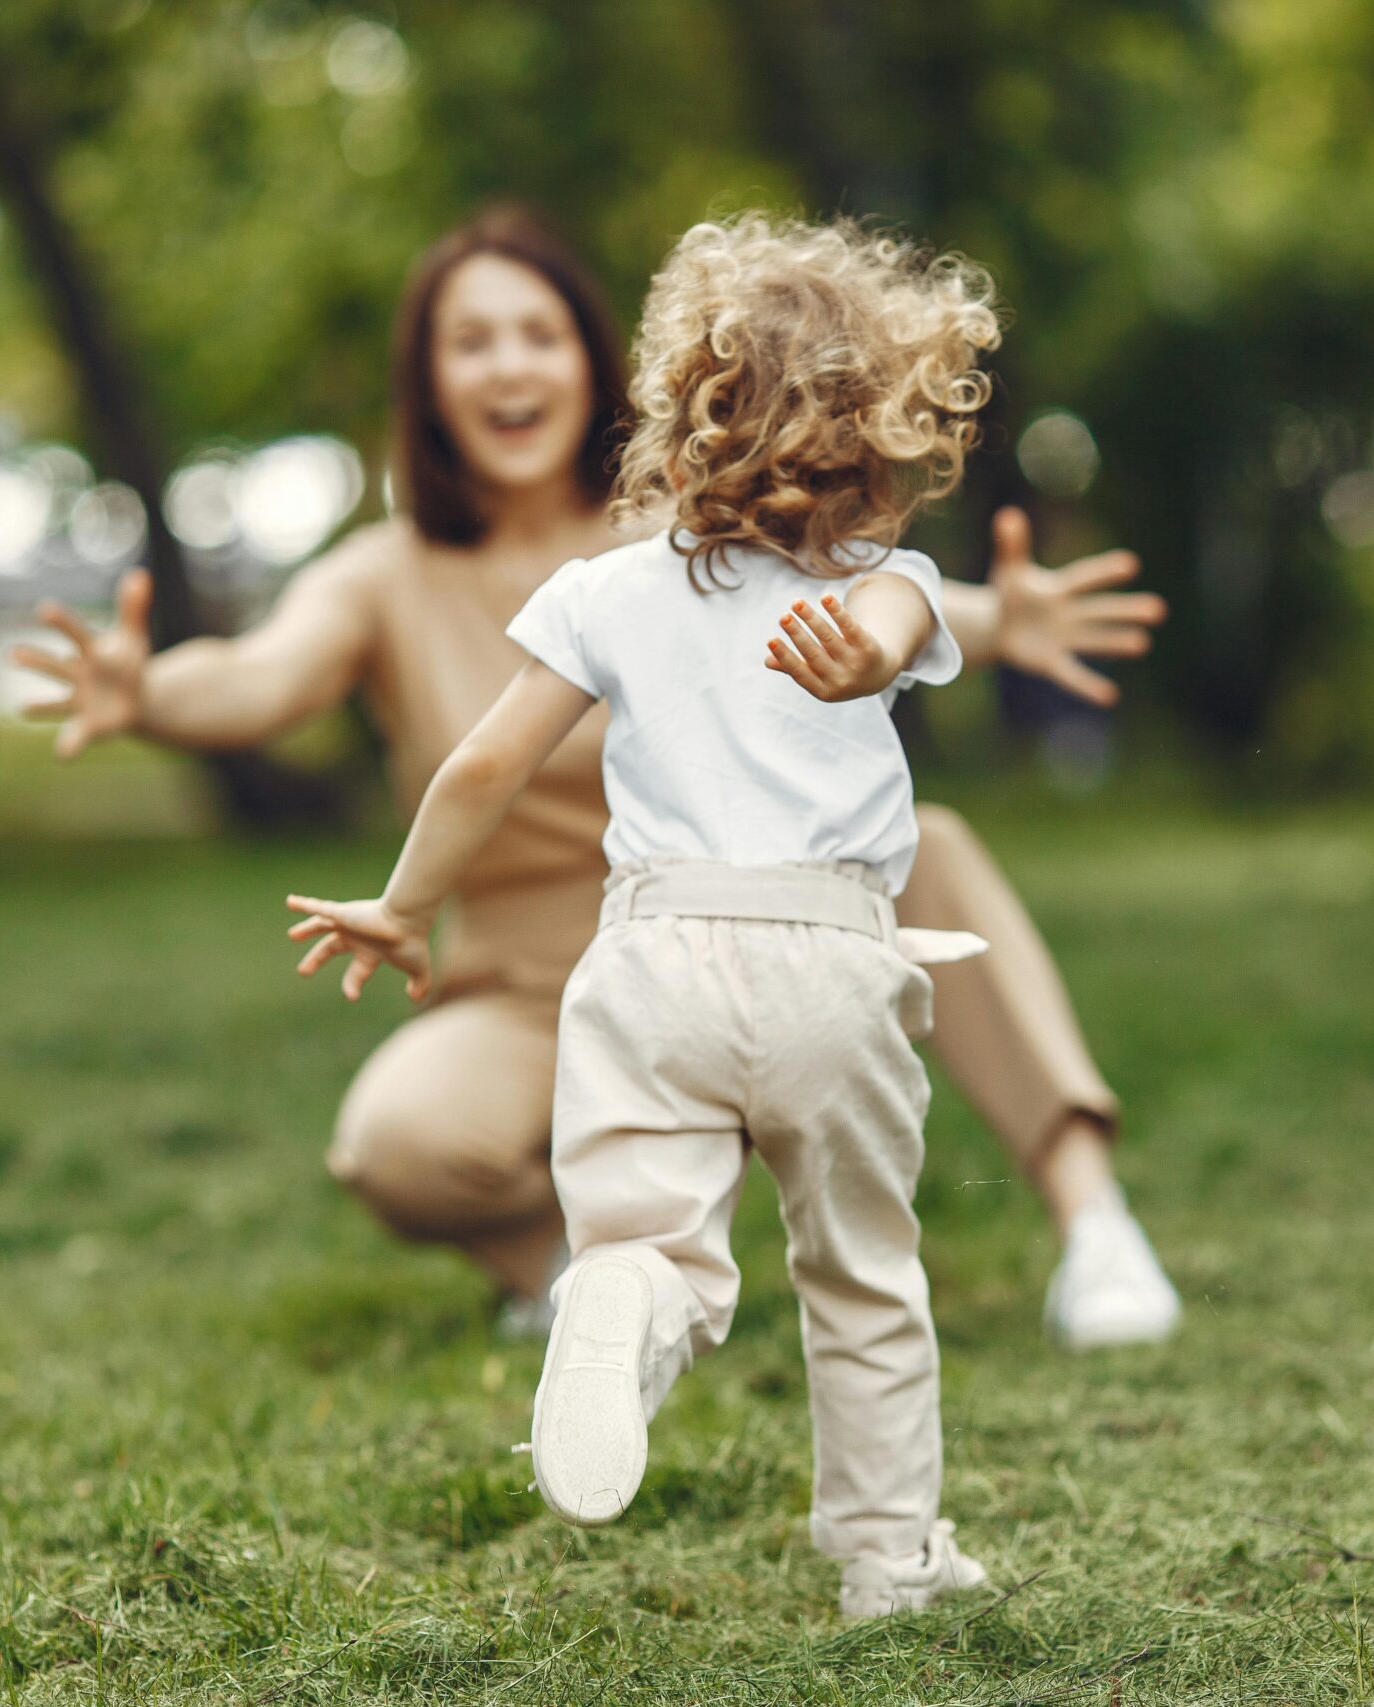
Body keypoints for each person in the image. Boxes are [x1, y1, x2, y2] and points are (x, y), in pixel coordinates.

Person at [16, 205, 1179, 1349]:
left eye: (538, 333)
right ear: (426, 384)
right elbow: (260, 675)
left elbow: (861, 590)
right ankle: (578, 1277)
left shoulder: (689, 532)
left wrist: (999, 620)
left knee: (936, 847)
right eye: (469, 342)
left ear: (593, 361)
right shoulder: (382, 576)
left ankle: (1096, 1224)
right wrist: (151, 696)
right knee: (398, 1142)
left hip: (764, 928)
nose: (507, 367)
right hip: (540, 997)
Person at [287, 213, 1004, 1618]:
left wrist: (403, 900)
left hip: (647, 965)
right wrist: (867, 651)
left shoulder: (605, 588)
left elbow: (486, 760)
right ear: (882, 436)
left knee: (653, 1239)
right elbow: (896, 637)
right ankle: (890, 1555)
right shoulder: (889, 586)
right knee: (859, 1272)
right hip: (829, 964)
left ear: (675, 415)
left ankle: (623, 1299)